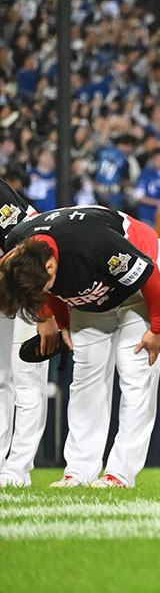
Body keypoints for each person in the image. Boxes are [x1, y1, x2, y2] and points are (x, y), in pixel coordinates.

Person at [0, 205, 160, 488]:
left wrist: (157, 328)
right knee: (85, 378)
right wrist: (60, 320)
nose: (40, 295)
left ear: (50, 266)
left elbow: (149, 275)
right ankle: (78, 471)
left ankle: (120, 474)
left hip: (143, 282)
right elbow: (48, 289)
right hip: (93, 288)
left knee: (134, 376)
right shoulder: (19, 247)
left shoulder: (94, 241)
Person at [0, 179, 48, 488]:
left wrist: (44, 311)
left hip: (28, 284)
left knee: (27, 379)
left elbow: (34, 247)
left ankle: (17, 470)